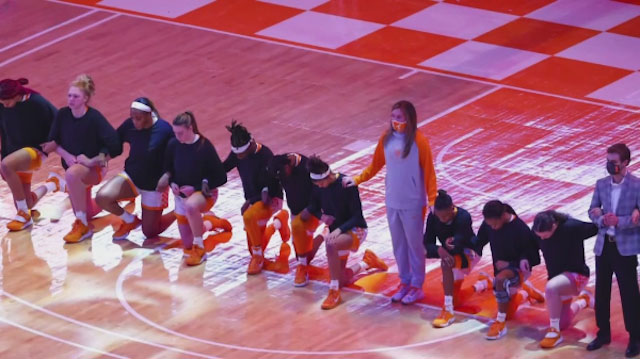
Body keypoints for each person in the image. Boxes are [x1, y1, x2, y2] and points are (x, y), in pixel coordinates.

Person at [344, 100, 437, 305]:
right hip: (392, 200)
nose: (396, 121)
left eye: (400, 117)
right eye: (393, 117)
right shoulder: (386, 139)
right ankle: (404, 282)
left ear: (409, 119)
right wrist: (358, 179)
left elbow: (430, 172)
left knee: (414, 246)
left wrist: (432, 199)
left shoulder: (419, 142)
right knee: (399, 245)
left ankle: (417, 286)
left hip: (413, 202)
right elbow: (375, 164)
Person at [41, 74, 122, 243]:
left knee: (71, 175)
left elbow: (116, 145)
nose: (71, 99)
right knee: (89, 210)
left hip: (94, 169)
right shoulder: (63, 114)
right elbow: (52, 142)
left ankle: (82, 225)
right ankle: (117, 195)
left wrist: (93, 161)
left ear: (85, 98)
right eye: (69, 95)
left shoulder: (94, 118)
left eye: (75, 96)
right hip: (74, 171)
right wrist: (66, 155)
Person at [304, 155, 388, 310]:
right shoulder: (317, 186)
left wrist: (339, 229)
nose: (320, 187)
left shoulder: (346, 184)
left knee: (330, 244)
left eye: (321, 183)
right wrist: (321, 216)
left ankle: (334, 292)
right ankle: (367, 262)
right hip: (337, 231)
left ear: (328, 176)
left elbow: (357, 217)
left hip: (356, 229)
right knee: (341, 278)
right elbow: (313, 206)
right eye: (317, 185)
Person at [95, 98, 176, 240]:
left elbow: (177, 155)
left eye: (138, 118)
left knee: (150, 232)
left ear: (149, 115)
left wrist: (168, 175)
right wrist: (103, 154)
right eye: (132, 117)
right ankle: (130, 220)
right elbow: (114, 142)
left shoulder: (165, 130)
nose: (134, 122)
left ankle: (181, 211)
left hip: (155, 186)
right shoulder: (129, 125)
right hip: (132, 177)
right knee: (102, 197)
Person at [587, 143, 640, 357]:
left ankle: (635, 337)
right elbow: (592, 210)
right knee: (601, 292)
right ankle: (603, 333)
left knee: (630, 295)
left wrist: (620, 221)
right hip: (604, 247)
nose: (610, 165)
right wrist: (601, 218)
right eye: (608, 161)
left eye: (614, 162)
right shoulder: (601, 184)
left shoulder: (637, 186)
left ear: (625, 162)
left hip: (625, 249)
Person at [156, 112, 230, 266]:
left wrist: (195, 188)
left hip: (204, 194)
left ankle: (200, 249)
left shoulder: (204, 147)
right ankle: (211, 223)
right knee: (186, 243)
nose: (177, 136)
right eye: (175, 133)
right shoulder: (173, 144)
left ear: (190, 129)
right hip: (181, 196)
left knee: (191, 206)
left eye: (180, 133)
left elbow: (221, 177)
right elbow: (168, 168)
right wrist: (172, 183)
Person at [223, 121, 289, 275]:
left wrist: (251, 201)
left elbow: (271, 189)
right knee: (253, 244)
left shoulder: (266, 155)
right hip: (253, 200)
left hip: (271, 198)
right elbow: (223, 168)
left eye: (242, 154)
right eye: (237, 154)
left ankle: (258, 258)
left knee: (249, 217)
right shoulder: (238, 154)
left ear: (251, 143)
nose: (239, 157)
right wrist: (206, 177)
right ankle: (278, 223)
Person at [0, 77, 62, 231]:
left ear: (15, 96)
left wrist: (53, 143)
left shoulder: (37, 102)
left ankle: (23, 215)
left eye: (5, 102)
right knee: (27, 203)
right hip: (13, 154)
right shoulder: (2, 105)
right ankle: (53, 183)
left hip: (34, 150)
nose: (3, 105)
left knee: (7, 166)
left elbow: (60, 121)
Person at [474, 200, 541, 340]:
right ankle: (525, 292)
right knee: (510, 313)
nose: (492, 227)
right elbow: (478, 241)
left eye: (494, 224)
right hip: (501, 270)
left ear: (504, 216)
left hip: (519, 270)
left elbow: (534, 258)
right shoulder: (489, 224)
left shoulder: (521, 229)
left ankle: (500, 322)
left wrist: (510, 264)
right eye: (489, 224)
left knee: (500, 280)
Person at [424, 190, 491, 328]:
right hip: (451, 253)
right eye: (439, 217)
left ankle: (448, 310)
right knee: (456, 299)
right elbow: (426, 245)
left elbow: (459, 243)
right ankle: (483, 284)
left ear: (452, 207)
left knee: (446, 263)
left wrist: (449, 246)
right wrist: (439, 249)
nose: (442, 220)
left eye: (446, 216)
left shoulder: (463, 216)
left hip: (469, 252)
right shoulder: (432, 217)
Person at [532, 210, 598, 348]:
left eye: (545, 236)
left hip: (577, 275)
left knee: (551, 287)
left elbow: (596, 227)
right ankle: (584, 301)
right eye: (540, 237)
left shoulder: (571, 227)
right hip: (557, 279)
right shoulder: (537, 233)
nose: (542, 239)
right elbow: (528, 248)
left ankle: (554, 332)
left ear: (554, 226)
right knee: (563, 323)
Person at [269, 153, 323, 285]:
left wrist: (310, 210)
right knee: (302, 255)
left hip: (313, 211)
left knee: (303, 256)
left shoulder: (308, 166)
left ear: (288, 165)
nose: (283, 177)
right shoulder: (280, 167)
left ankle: (323, 235)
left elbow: (321, 192)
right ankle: (282, 219)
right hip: (296, 212)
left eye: (283, 174)